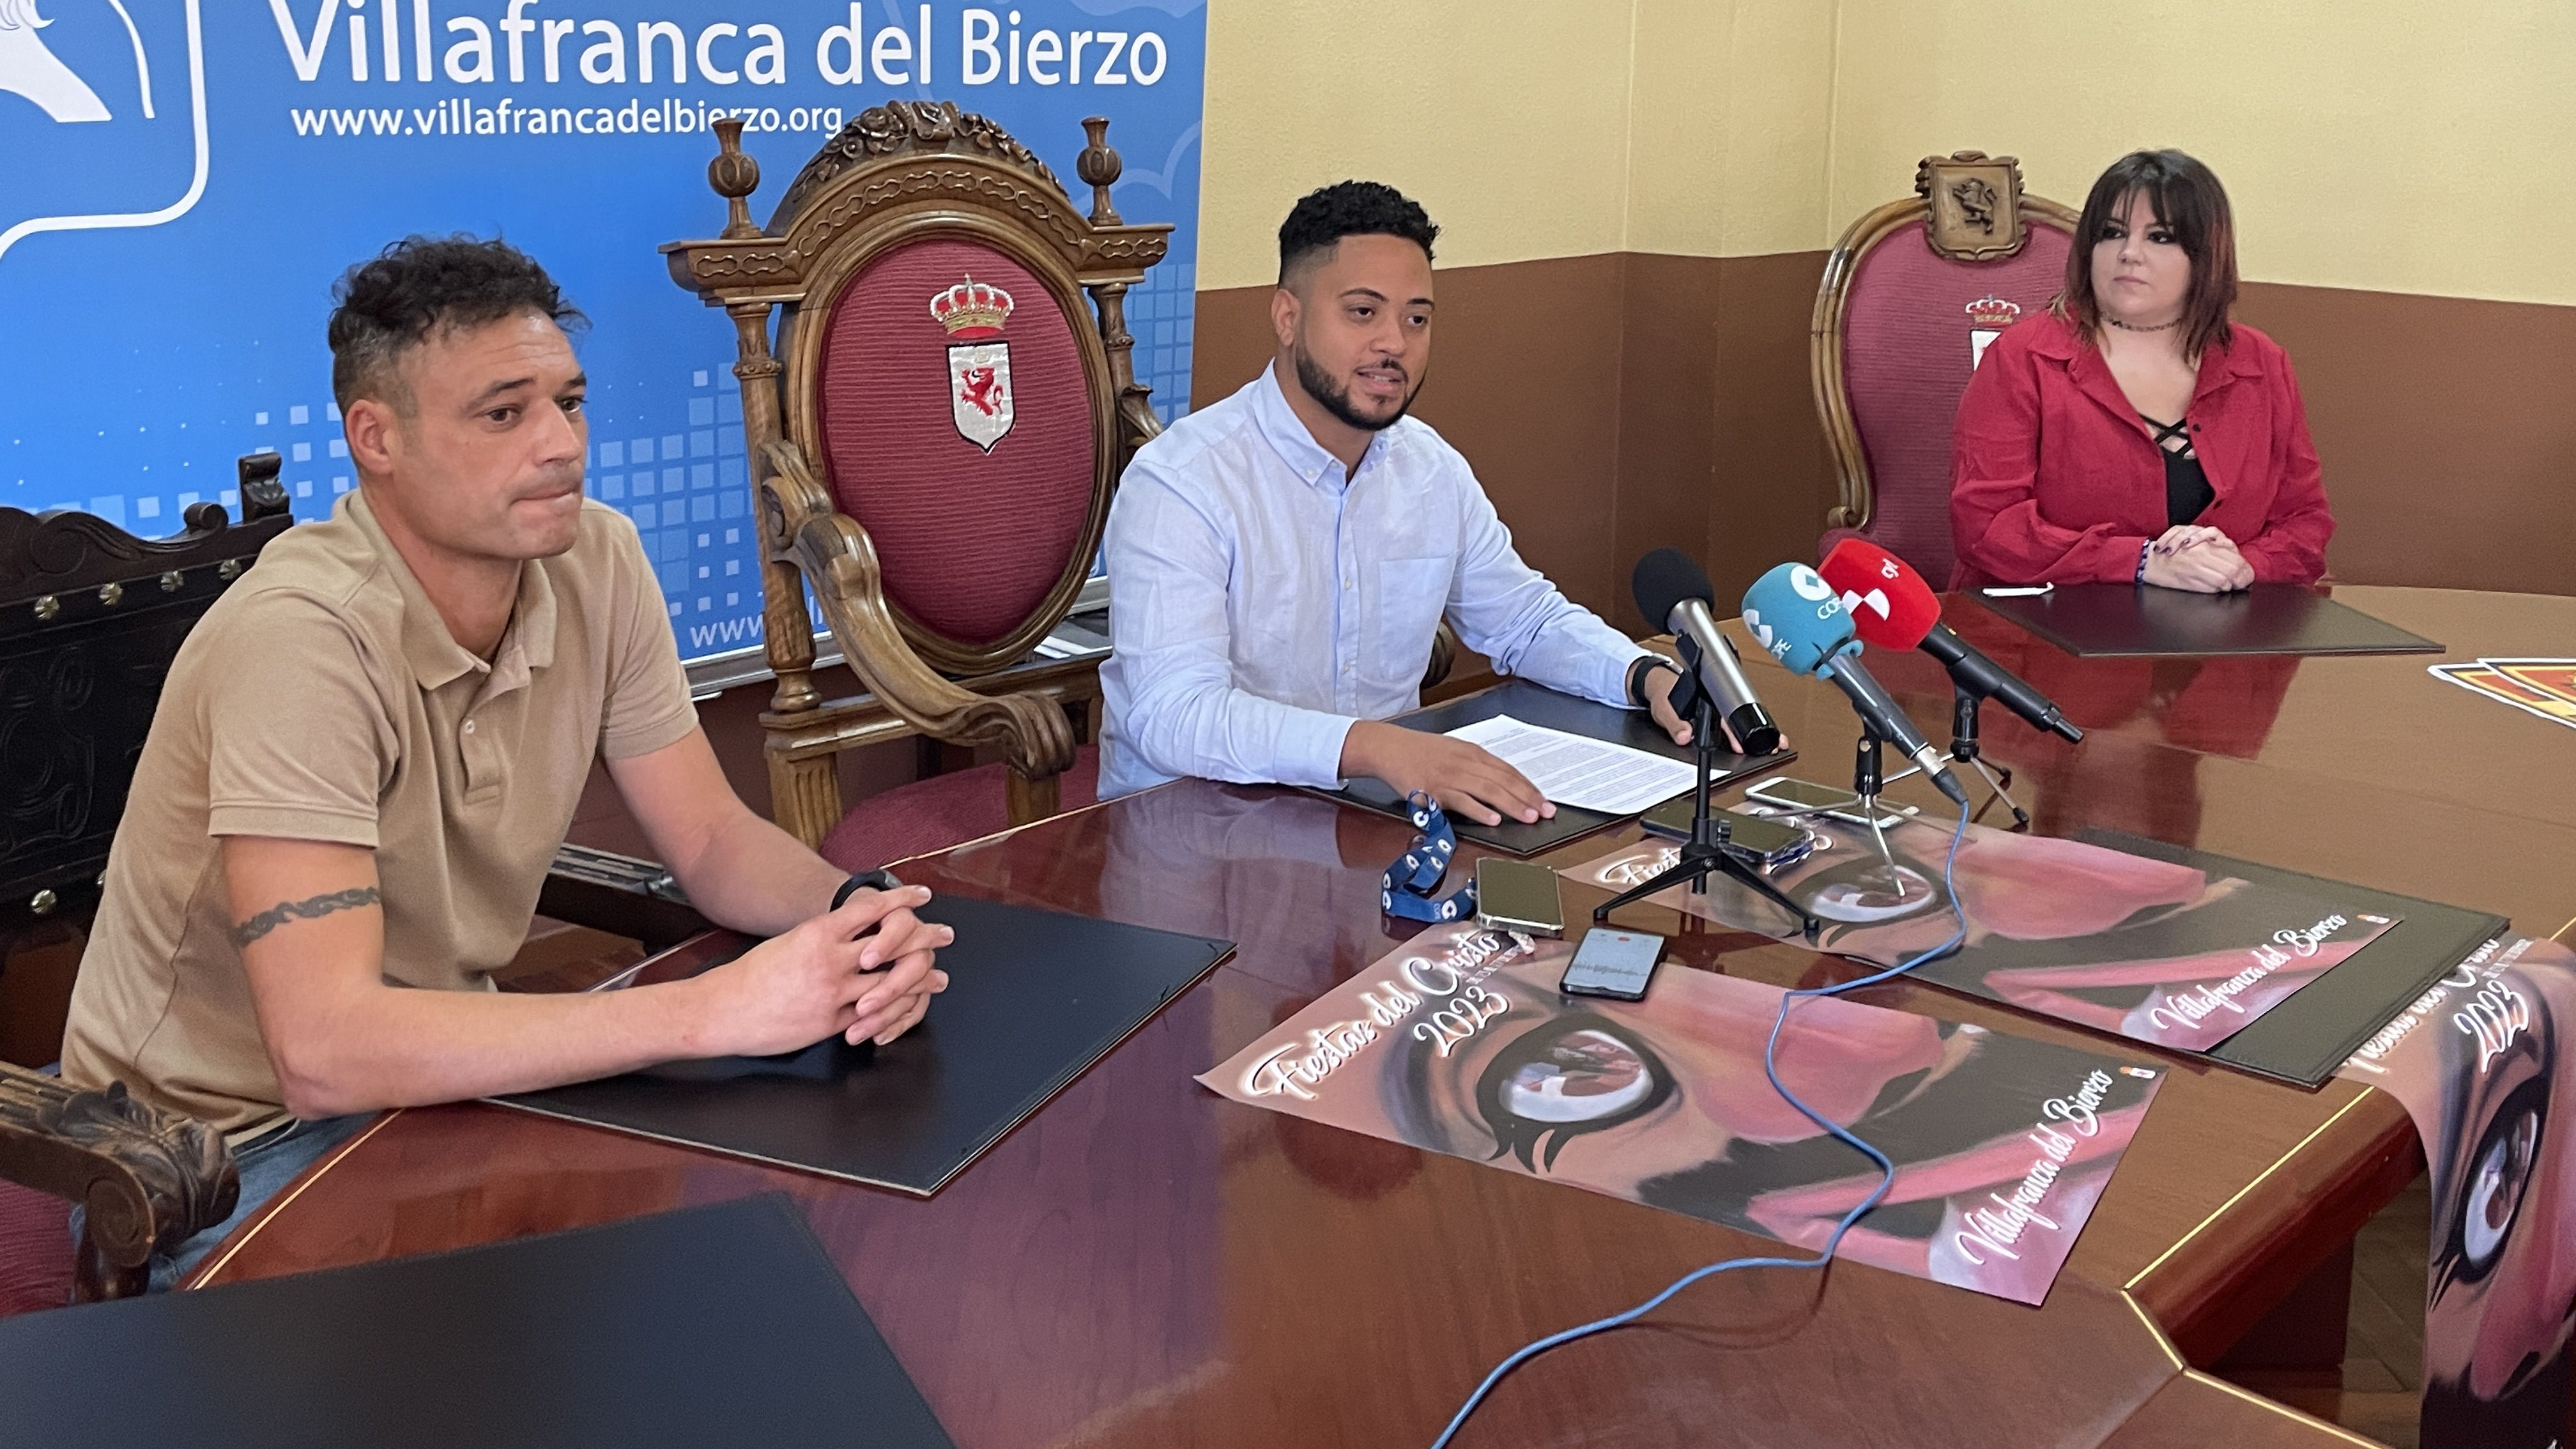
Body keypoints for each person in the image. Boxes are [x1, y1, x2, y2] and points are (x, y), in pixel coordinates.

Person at [61, 237, 953, 1284]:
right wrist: (713, 1010)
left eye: (568, 402)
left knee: (767, 1271)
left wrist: (855, 918)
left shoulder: (599, 556)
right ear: (376, 436)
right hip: (208, 1160)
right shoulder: (300, 637)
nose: (561, 444)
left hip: (439, 1091)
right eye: (503, 412)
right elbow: (322, 1049)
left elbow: (710, 838)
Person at [1097, 181, 1691, 823]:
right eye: (1362, 312)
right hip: (1191, 834)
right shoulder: (1183, 481)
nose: (1394, 344)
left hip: (1374, 823)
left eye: (1417, 318)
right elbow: (1173, 715)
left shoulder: (1429, 468)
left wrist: (1644, 676)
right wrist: (1373, 746)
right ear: (1287, 317)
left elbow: (1526, 622)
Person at [1949, 149, 2333, 591]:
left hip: (2220, 638)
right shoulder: (2022, 356)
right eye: (2111, 233)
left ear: (2205, 255)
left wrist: (2244, 567)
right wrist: (2140, 561)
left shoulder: (2262, 363)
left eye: (2161, 237)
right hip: (2046, 632)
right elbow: (1986, 529)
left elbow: (2306, 523)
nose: (2129, 253)